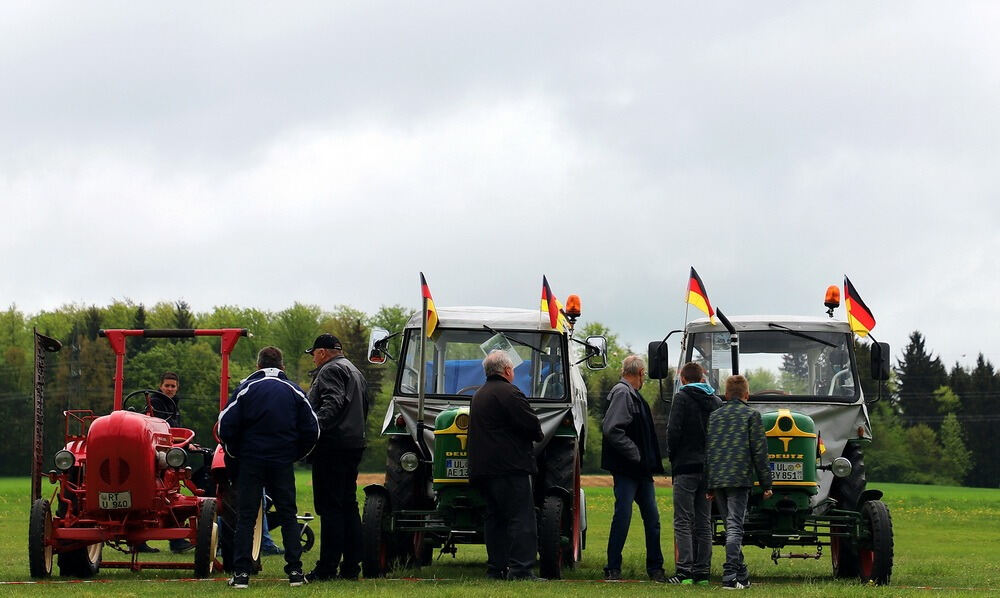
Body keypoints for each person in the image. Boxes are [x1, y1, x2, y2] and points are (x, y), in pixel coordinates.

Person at [218, 346, 319, 589]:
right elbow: (313, 430)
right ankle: (295, 571)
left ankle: (241, 573)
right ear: (282, 366)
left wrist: (235, 453)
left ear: (258, 365)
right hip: (282, 461)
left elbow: (224, 426)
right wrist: (295, 454)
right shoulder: (294, 390)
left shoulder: (247, 388)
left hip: (251, 460)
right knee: (287, 515)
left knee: (246, 516)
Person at [468, 350, 545, 581]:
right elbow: (533, 428)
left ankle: (496, 569)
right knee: (521, 519)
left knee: (495, 519)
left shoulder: (478, 395)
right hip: (510, 467)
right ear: (508, 371)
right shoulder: (510, 393)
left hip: (483, 470)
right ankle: (521, 570)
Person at [304, 334, 369, 582]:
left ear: (322, 352)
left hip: (332, 447)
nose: (313, 359)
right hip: (353, 443)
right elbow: (364, 405)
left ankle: (327, 568)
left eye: (314, 354)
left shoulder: (329, 370)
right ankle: (351, 566)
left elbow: (333, 402)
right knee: (348, 505)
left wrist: (314, 427)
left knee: (330, 507)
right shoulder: (355, 371)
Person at [601, 355, 666, 582]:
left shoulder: (631, 394)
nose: (644, 378)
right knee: (623, 516)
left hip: (640, 470)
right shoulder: (623, 393)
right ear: (639, 373)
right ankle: (613, 568)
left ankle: (656, 568)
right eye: (644, 374)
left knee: (652, 518)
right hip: (629, 469)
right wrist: (635, 453)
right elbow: (612, 429)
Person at [705, 375, 773, 590]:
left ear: (726, 395)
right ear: (746, 395)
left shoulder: (714, 417)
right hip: (740, 478)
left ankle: (742, 575)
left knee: (729, 525)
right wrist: (766, 484)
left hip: (718, 479)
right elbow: (760, 453)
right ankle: (730, 575)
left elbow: (709, 451)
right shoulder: (752, 415)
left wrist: (709, 484)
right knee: (736, 527)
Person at [665, 362, 722, 584]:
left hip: (685, 467)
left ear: (683, 378)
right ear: (702, 378)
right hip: (708, 469)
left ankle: (684, 572)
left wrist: (673, 456)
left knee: (682, 520)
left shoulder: (681, 398)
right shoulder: (716, 402)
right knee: (703, 522)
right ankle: (702, 573)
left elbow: (673, 431)